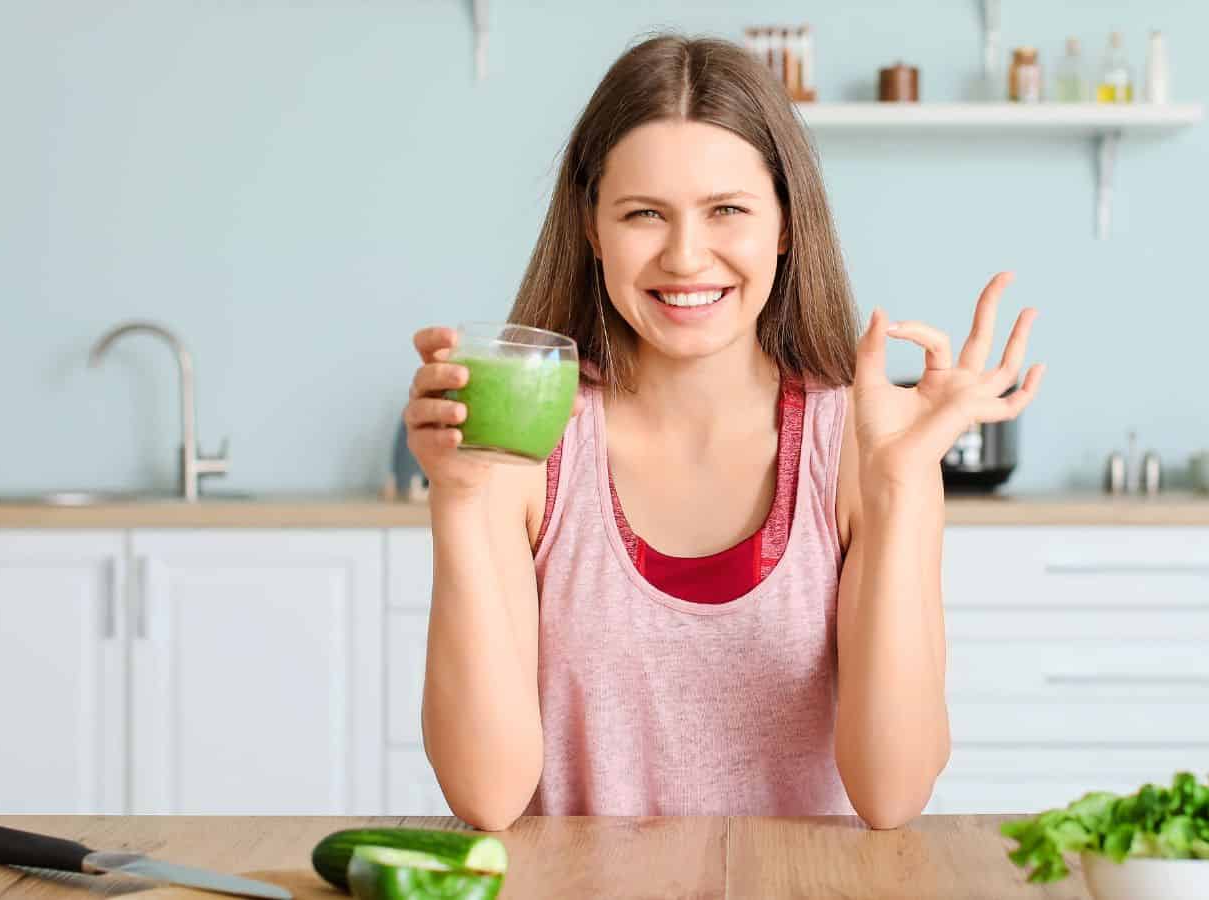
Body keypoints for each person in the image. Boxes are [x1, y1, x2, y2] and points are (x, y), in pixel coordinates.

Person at [404, 33, 1044, 832]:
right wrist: (458, 500)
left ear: (783, 223)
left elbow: (893, 793)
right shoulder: (526, 446)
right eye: (644, 214)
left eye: (727, 211)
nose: (685, 255)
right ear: (592, 226)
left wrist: (900, 489)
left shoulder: (858, 445)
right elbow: (486, 798)